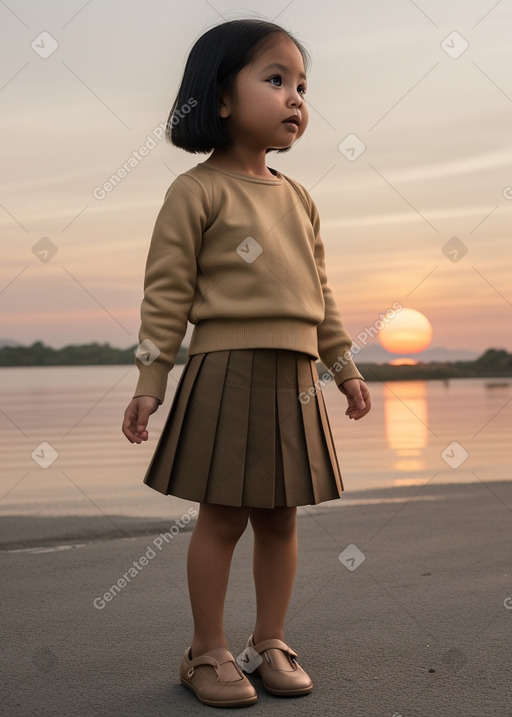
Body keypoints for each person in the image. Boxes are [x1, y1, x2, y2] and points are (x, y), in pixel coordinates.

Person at [122, 17, 371, 709]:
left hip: (296, 377)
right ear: (221, 99)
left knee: (282, 516)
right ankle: (207, 650)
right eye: (275, 80)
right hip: (224, 367)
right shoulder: (195, 192)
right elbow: (165, 295)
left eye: (301, 86)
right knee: (224, 515)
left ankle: (270, 639)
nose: (295, 98)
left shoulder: (298, 198)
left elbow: (320, 290)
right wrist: (151, 381)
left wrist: (344, 366)